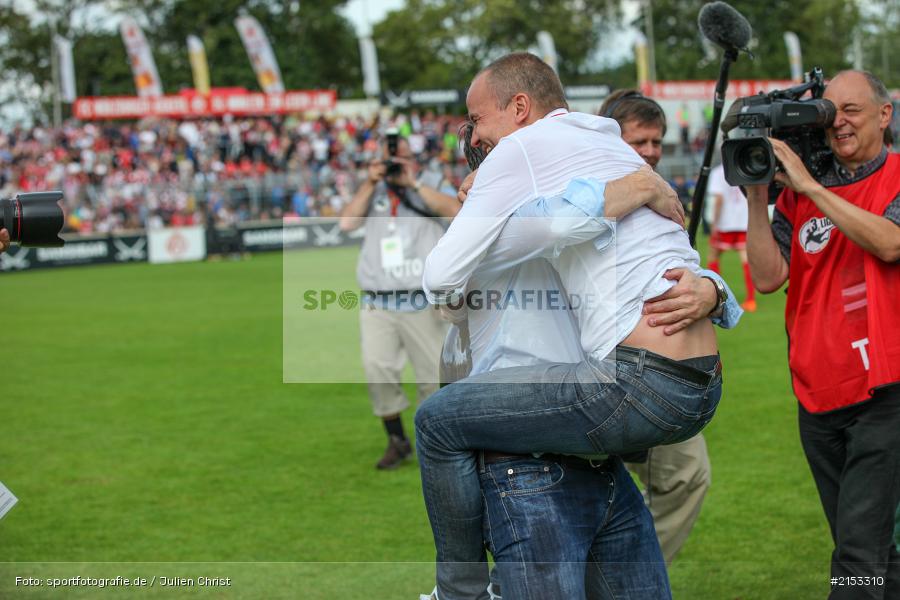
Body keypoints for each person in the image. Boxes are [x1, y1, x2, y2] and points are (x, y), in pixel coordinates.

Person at [416, 52, 741, 600]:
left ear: (520, 109)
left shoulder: (532, 153)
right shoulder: (601, 149)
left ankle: (459, 593)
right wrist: (630, 190)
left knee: (435, 423)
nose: (473, 137)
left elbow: (448, 272)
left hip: (615, 406)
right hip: (677, 393)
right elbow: (469, 278)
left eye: (477, 120)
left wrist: (713, 290)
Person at [743, 70, 899, 600]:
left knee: (856, 553)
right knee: (872, 549)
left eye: (851, 110)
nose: (839, 123)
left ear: (885, 114)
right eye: (830, 113)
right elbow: (767, 278)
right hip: (817, 392)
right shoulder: (797, 194)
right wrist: (756, 198)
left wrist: (809, 186)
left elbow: (889, 243)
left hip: (884, 390)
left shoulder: (897, 175)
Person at [600, 89, 717, 563]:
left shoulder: (664, 196)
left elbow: (684, 266)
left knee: (689, 475)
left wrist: (712, 290)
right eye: (640, 140)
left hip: (662, 372)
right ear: (609, 139)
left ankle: (631, 578)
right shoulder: (582, 192)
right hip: (591, 373)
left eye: (657, 142)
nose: (651, 151)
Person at [339, 133, 460, 470]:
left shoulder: (431, 182)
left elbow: (456, 212)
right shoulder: (373, 188)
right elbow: (347, 223)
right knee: (378, 371)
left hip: (421, 300)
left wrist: (414, 183)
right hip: (378, 301)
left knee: (433, 378)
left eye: (401, 156)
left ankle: (438, 444)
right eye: (389, 156)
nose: (394, 162)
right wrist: (369, 182)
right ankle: (396, 439)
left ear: (414, 158)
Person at [707, 163, 756, 311]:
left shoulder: (718, 172)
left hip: (725, 223)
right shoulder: (747, 166)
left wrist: (714, 224)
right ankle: (751, 300)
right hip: (743, 222)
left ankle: (716, 297)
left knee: (712, 257)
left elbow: (719, 200)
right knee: (746, 260)